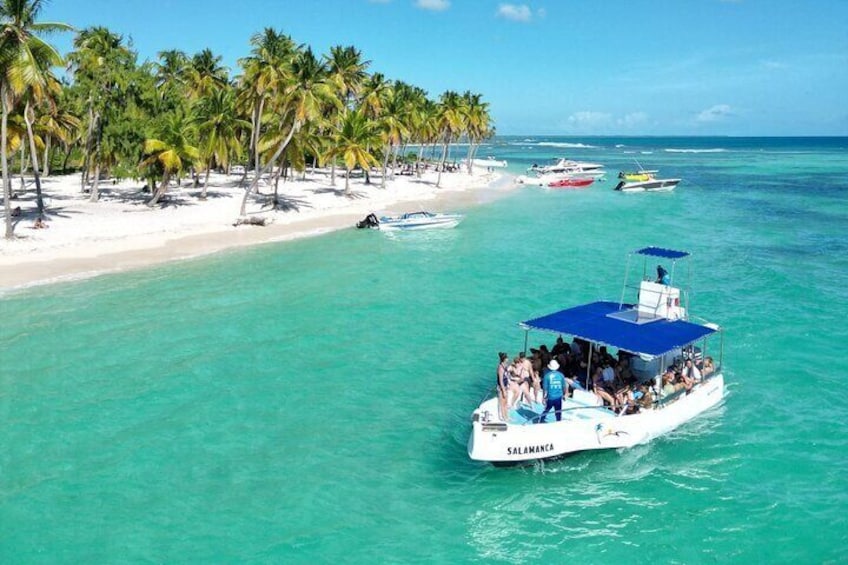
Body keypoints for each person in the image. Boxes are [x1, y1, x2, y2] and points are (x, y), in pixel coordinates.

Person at [496, 352, 510, 419]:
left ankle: (506, 415)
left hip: (506, 386)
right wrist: (503, 390)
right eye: (507, 358)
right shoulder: (500, 368)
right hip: (502, 388)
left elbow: (506, 376)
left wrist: (508, 383)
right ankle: (503, 416)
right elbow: (501, 380)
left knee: (506, 402)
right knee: (503, 402)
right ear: (504, 359)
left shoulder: (505, 366)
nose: (508, 359)